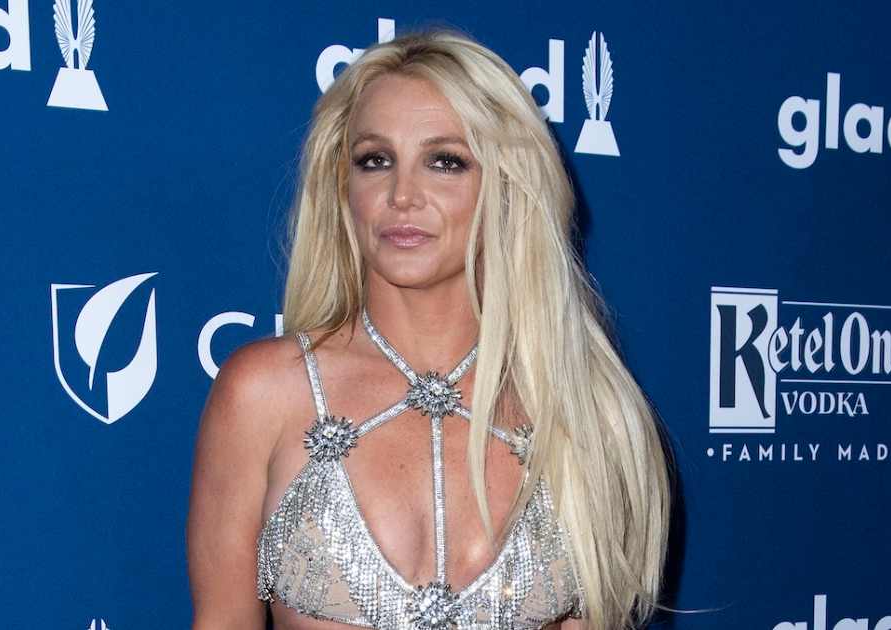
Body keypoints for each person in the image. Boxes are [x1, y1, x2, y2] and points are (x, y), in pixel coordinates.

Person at [187, 27, 672, 630]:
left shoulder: (581, 409)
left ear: (507, 186)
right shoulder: (264, 393)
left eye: (445, 162)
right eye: (375, 160)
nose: (401, 195)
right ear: (342, 188)